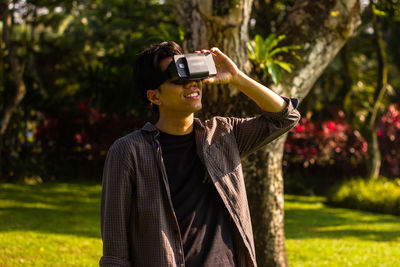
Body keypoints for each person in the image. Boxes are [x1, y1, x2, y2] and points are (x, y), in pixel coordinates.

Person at [99, 41, 300, 267]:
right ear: (155, 97)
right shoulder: (128, 151)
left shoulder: (223, 135)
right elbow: (115, 252)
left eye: (194, 76)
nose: (192, 84)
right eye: (179, 79)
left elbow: (285, 117)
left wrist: (236, 77)